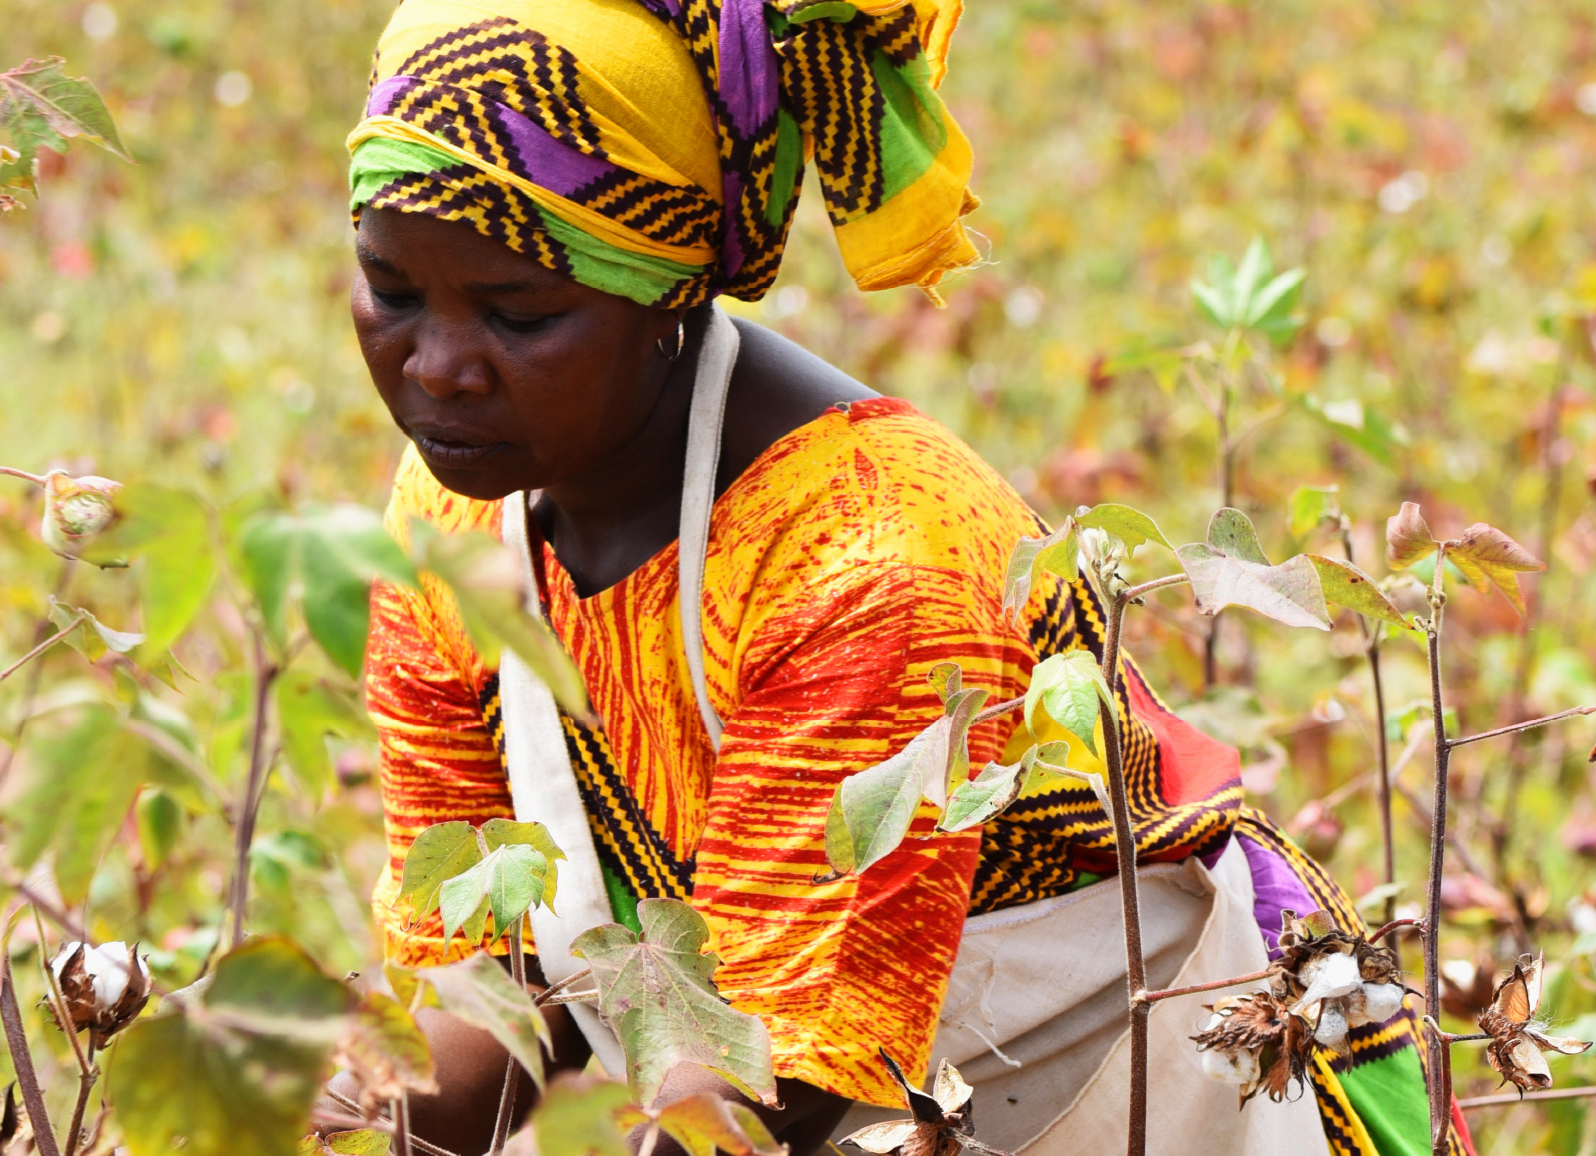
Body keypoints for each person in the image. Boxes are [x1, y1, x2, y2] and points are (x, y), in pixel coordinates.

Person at [341, 2, 1469, 1154]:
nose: (434, 367)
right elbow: (490, 978)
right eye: (390, 290)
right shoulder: (451, 519)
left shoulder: (868, 551)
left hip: (1163, 1090)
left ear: (669, 300)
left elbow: (764, 1086)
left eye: (519, 314)